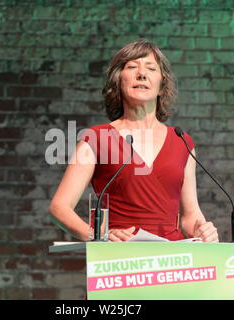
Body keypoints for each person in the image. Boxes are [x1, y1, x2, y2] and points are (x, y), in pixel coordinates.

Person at [49, 39, 218, 243]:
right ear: (118, 81)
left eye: (151, 68)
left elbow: (190, 216)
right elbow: (59, 207)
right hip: (121, 261)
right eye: (132, 66)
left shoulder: (182, 141)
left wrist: (203, 231)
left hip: (173, 262)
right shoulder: (96, 138)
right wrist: (99, 237)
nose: (142, 73)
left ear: (162, 86)